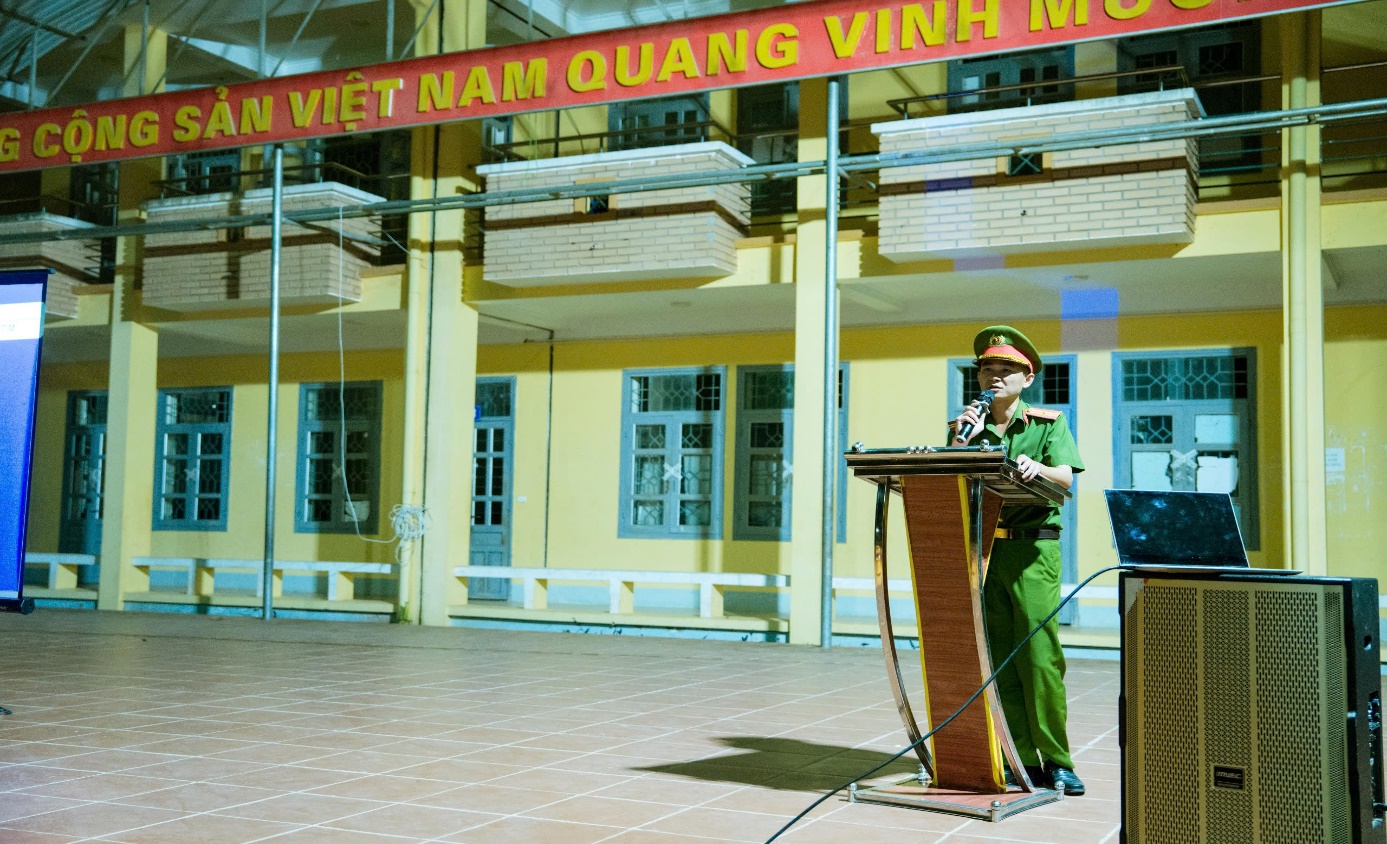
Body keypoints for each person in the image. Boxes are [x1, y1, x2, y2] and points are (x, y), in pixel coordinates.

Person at [950, 325, 1086, 797]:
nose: (995, 375)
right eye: (987, 368)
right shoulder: (966, 427)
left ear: (1027, 378)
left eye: (1006, 369)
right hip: (986, 551)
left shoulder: (1048, 424)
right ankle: (1019, 757)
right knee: (1000, 659)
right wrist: (961, 442)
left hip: (1032, 551)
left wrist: (1038, 468)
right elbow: (948, 479)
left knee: (1040, 658)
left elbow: (1065, 478)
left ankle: (1058, 761)